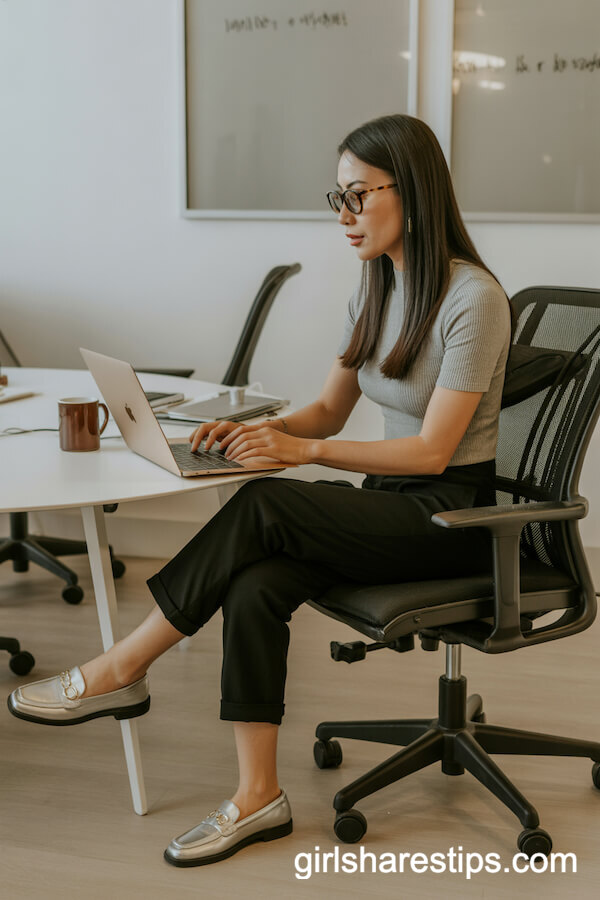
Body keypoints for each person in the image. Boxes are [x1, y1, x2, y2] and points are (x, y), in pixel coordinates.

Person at [8, 114, 512, 867]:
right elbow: (327, 411)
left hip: (451, 518)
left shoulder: (474, 299)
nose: (343, 216)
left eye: (357, 196)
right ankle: (258, 797)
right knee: (256, 582)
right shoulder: (375, 290)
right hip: (389, 504)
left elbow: (436, 451)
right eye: (335, 198)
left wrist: (300, 453)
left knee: (266, 504)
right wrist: (254, 432)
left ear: (411, 190)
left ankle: (121, 667)